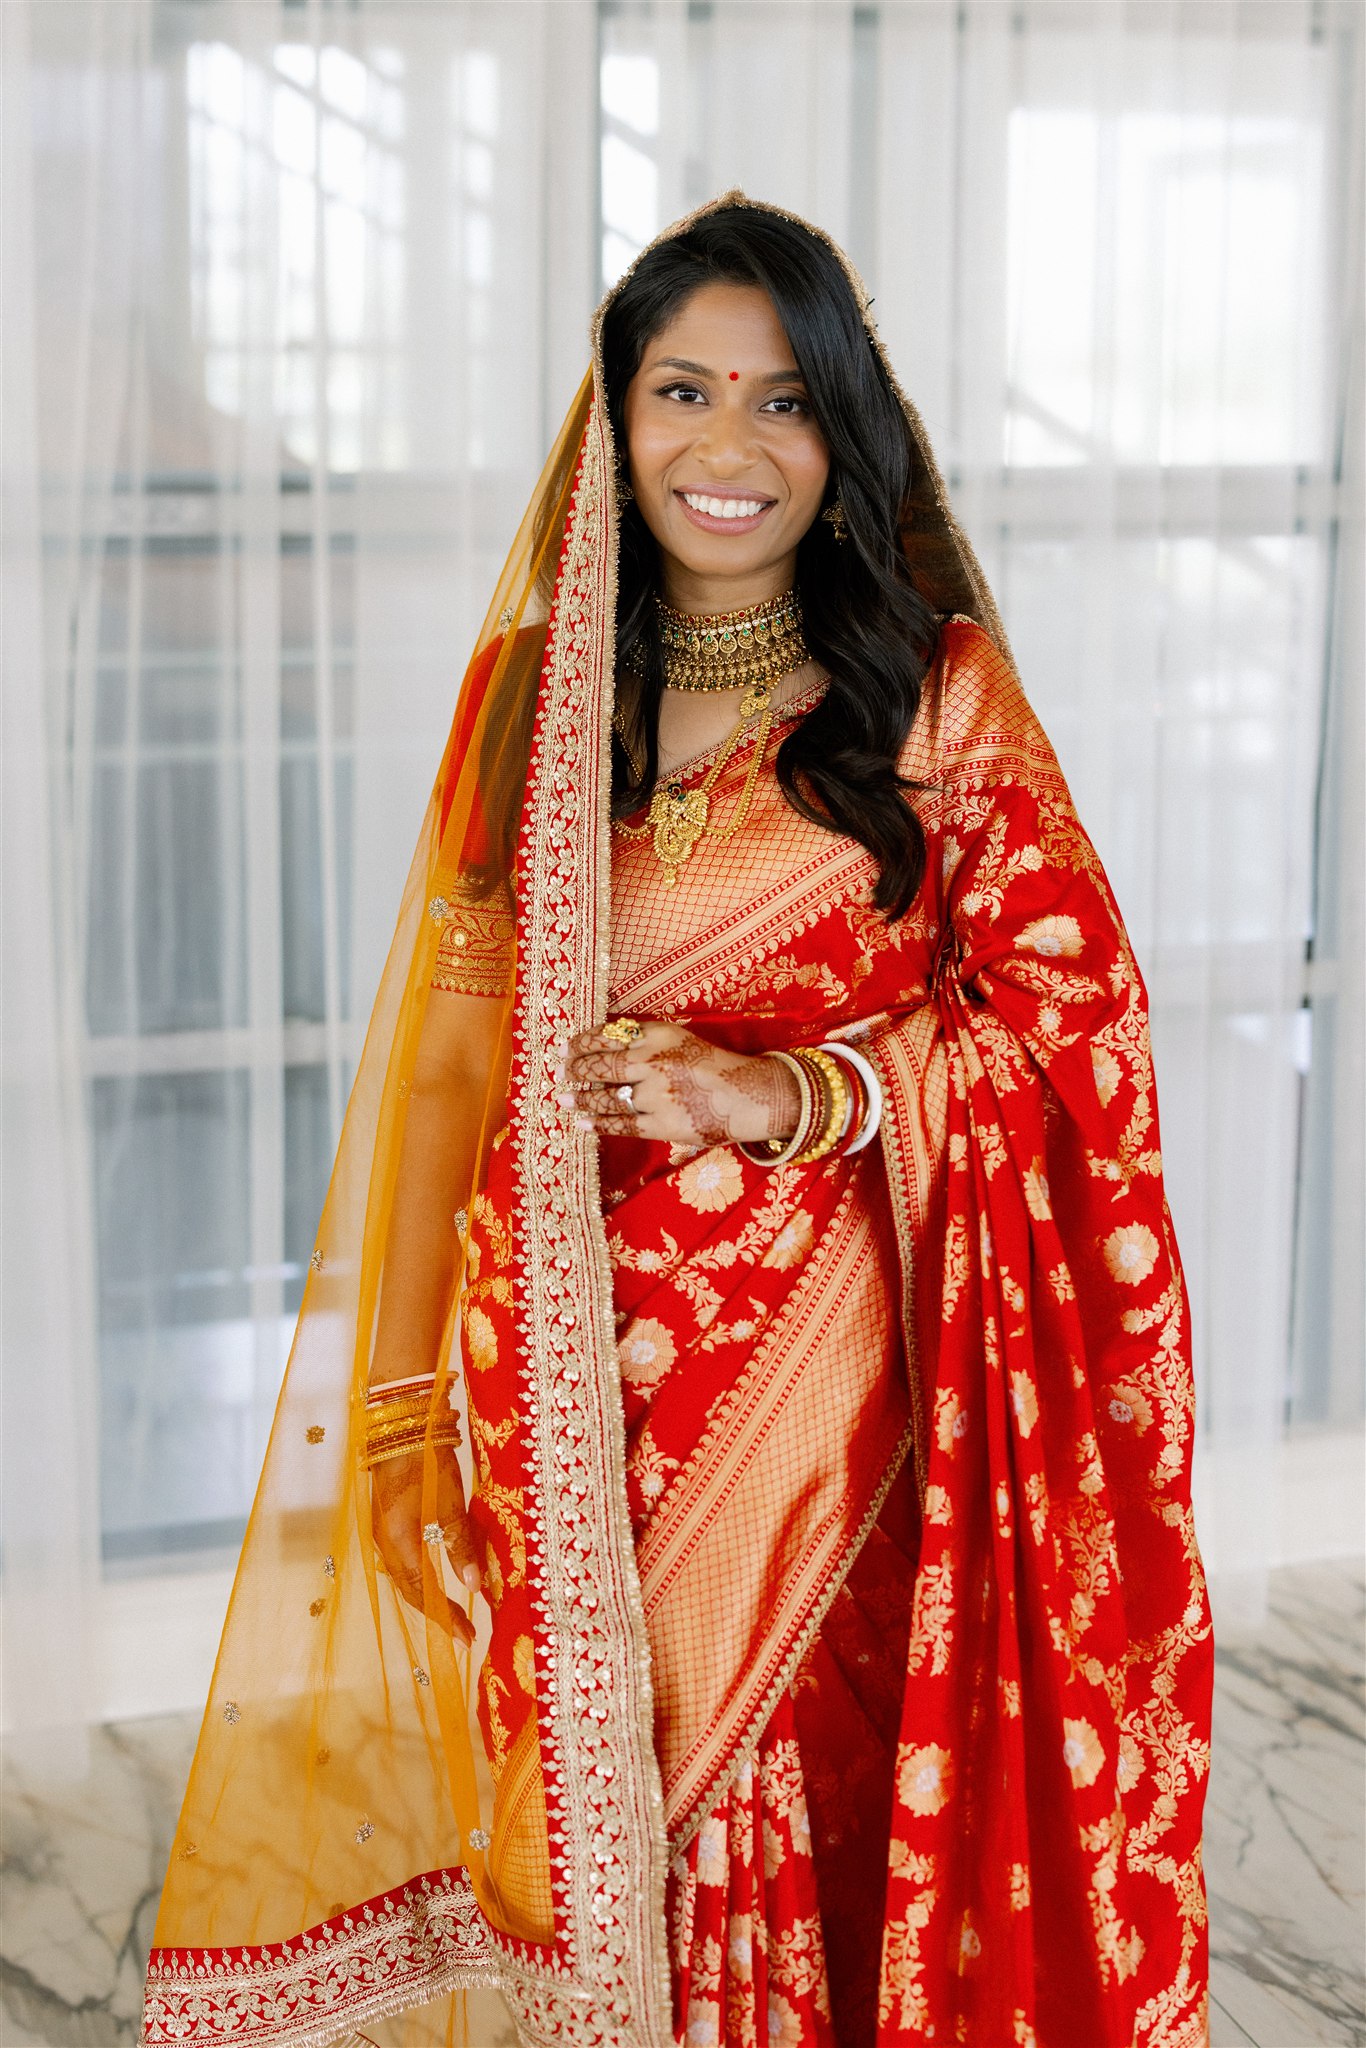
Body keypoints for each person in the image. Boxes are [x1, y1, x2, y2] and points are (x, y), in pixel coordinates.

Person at [142, 195, 1214, 2048]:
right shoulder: (525, 714)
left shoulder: (937, 699)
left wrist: (792, 1089)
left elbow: (1073, 1030)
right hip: (563, 1382)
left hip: (853, 1395)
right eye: (683, 391)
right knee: (601, 1815)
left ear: (844, 435)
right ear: (611, 419)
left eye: (784, 402)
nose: (727, 448)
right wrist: (401, 1415)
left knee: (799, 1778)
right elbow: (447, 1081)